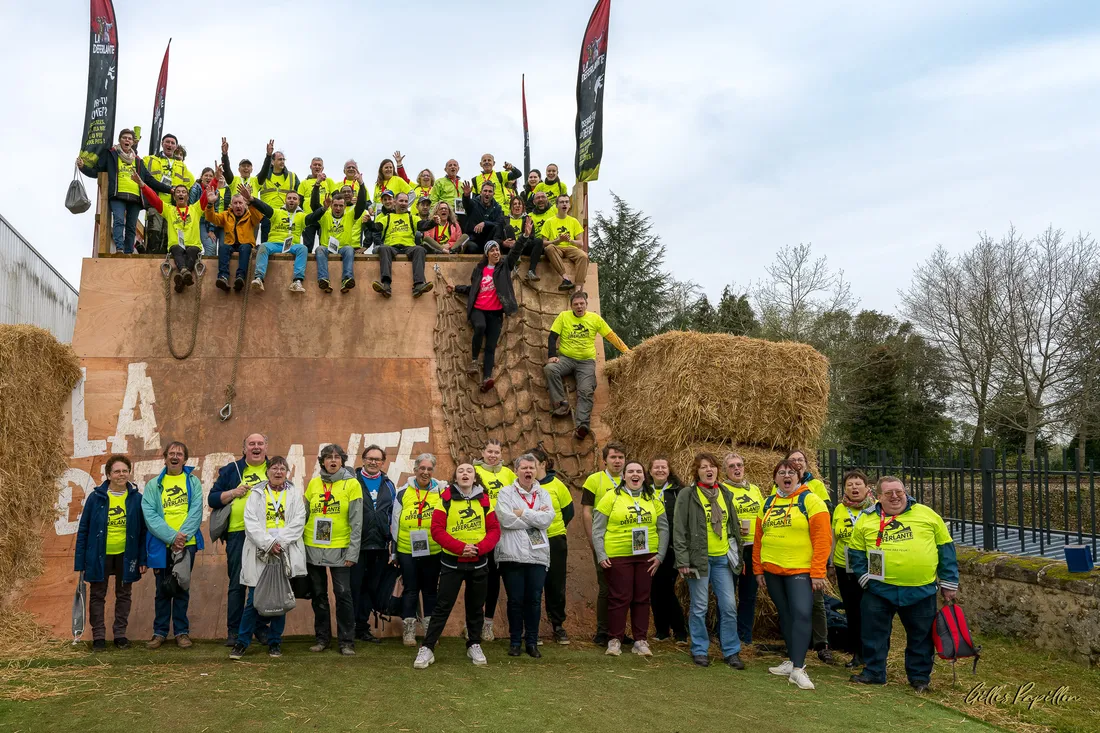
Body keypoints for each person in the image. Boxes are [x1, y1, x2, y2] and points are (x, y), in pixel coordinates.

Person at [848, 476, 959, 693]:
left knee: (921, 636)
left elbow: (946, 549)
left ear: (905, 492)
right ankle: (874, 672)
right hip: (879, 590)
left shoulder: (927, 514)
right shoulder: (866, 519)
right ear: (878, 497)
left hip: (921, 589)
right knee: (874, 634)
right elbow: (856, 552)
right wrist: (865, 579)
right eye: (888, 493)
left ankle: (919, 678)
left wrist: (949, 583)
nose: (895, 496)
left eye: (899, 491)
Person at [413, 463, 502, 669]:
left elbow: (494, 530)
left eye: (469, 471)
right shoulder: (444, 499)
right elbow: (436, 530)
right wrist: (460, 548)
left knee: (475, 607)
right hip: (452, 563)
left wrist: (479, 549)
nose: (465, 474)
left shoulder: (485, 501)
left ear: (475, 477)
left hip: (479, 563)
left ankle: (474, 644)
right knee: (442, 606)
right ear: (455, 477)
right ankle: (427, 648)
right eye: (461, 471)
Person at [753, 459, 831, 690]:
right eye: (781, 473)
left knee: (802, 614)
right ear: (775, 478)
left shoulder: (811, 500)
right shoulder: (767, 503)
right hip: (773, 570)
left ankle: (798, 669)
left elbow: (822, 539)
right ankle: (791, 661)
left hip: (800, 570)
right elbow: (758, 539)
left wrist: (818, 572)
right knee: (785, 615)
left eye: (791, 472)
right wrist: (758, 569)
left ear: (798, 477)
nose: (786, 476)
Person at [229, 456, 306, 660]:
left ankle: (275, 643)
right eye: (274, 468)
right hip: (260, 551)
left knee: (279, 599)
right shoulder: (256, 493)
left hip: (283, 551)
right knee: (254, 599)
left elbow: (299, 521)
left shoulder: (295, 493)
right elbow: (250, 522)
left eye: (282, 468)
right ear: (267, 471)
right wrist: (268, 543)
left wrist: (280, 542)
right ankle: (242, 642)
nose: (278, 472)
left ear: (287, 472)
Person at [674, 453, 745, 668]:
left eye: (712, 466)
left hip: (722, 558)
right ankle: (699, 649)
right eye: (704, 467)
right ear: (697, 471)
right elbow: (679, 529)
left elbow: (731, 525)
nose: (709, 470)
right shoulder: (688, 494)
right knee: (699, 606)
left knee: (729, 606)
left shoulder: (724, 492)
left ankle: (731, 651)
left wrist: (738, 555)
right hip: (698, 560)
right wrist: (682, 560)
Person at [593, 459, 667, 657]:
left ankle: (640, 640)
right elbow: (598, 528)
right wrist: (601, 554)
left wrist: (660, 555)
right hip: (618, 554)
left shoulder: (653, 498)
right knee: (619, 597)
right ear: (624, 476)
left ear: (644, 476)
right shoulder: (611, 497)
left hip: (647, 556)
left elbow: (663, 528)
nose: (635, 475)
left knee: (642, 598)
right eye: (631, 471)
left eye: (639, 472)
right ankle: (614, 639)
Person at [74, 454, 146, 651]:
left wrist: (142, 558)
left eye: (124, 471)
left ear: (129, 473)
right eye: (117, 471)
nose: (121, 474)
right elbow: (84, 530)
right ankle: (98, 636)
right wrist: (80, 562)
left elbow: (142, 532)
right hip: (99, 555)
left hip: (126, 555)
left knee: (124, 594)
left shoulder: (137, 499)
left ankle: (120, 635)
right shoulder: (95, 498)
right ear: (108, 475)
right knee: (98, 594)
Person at [208, 433, 272, 647]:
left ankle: (260, 628)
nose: (256, 447)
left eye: (260, 444)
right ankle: (234, 631)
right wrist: (233, 492)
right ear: (244, 448)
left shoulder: (275, 468)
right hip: (238, 533)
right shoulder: (232, 470)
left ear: (266, 447)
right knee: (237, 583)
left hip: (267, 535)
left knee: (264, 583)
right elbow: (212, 498)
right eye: (251, 444)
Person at [141, 441, 204, 649]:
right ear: (165, 457)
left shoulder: (193, 482)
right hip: (161, 544)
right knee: (162, 589)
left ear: (185, 459)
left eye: (179, 454)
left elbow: (196, 510)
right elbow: (149, 515)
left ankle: (181, 632)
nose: (175, 456)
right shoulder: (153, 485)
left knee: (181, 588)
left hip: (187, 544)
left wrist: (182, 538)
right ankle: (159, 632)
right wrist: (171, 537)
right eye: (171, 453)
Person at [544, 291, 631, 440]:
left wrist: (627, 351)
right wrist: (552, 355)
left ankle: (582, 426)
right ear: (571, 306)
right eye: (576, 304)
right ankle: (561, 404)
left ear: (586, 304)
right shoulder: (564, 316)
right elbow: (552, 337)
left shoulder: (594, 319)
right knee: (550, 369)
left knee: (586, 389)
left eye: (581, 304)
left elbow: (610, 335)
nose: (579, 307)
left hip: (586, 362)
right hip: (566, 358)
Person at [304, 444, 363, 656]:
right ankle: (322, 639)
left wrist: (352, 552)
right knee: (318, 595)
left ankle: (346, 641)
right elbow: (304, 515)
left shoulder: (352, 484)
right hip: (313, 547)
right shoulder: (313, 483)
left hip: (340, 548)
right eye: (328, 457)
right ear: (322, 461)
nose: (333, 460)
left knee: (343, 594)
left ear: (342, 461)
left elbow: (357, 521)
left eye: (337, 457)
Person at [495, 454, 555, 657]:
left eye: (532, 468)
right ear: (516, 470)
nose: (528, 471)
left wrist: (522, 513)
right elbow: (505, 520)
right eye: (524, 468)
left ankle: (531, 641)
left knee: (535, 600)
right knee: (515, 600)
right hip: (512, 556)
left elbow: (548, 520)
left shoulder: (543, 494)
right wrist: (534, 516)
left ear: (537, 470)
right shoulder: (505, 493)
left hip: (537, 556)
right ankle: (514, 642)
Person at [76, 128, 170, 254]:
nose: (127, 140)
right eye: (124, 137)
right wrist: (83, 168)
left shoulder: (138, 160)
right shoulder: (111, 154)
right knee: (119, 220)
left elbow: (150, 180)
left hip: (135, 197)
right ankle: (119, 248)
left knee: (131, 227)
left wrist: (170, 189)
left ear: (132, 142)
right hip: (117, 194)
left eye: (130, 138)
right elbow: (98, 171)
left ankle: (128, 251)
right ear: (120, 140)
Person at [445, 241, 524, 392]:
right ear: (487, 253)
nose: (496, 252)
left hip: (495, 313)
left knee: (490, 347)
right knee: (480, 326)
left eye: (498, 250)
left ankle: (487, 378)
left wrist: (525, 236)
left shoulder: (504, 267)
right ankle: (474, 361)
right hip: (478, 309)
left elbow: (515, 252)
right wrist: (456, 288)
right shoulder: (479, 270)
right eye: (493, 250)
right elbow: (473, 289)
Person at [783, 449, 835, 664]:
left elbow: (825, 518)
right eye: (793, 460)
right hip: (789, 553)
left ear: (806, 463)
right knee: (792, 603)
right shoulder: (782, 486)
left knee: (816, 601)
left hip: (812, 552)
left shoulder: (815, 486)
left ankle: (822, 644)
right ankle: (796, 644)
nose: (796, 463)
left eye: (800, 460)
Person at [391, 454, 445, 646]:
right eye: (422, 468)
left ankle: (430, 631)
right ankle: (409, 630)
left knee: (430, 591)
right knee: (411, 590)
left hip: (433, 549)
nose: (425, 472)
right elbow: (395, 521)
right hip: (407, 549)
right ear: (415, 470)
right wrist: (394, 550)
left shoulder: (441, 491)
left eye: (429, 469)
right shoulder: (402, 492)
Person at [468, 439, 515, 641]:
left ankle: (488, 624)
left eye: (497, 451)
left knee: (495, 581)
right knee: (477, 580)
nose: (493, 455)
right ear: (483, 452)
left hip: (505, 534)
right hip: (481, 533)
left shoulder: (509, 474)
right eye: (489, 451)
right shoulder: (474, 472)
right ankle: (471, 623)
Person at [581, 442, 627, 644]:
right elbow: (586, 511)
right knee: (606, 587)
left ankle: (619, 631)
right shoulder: (594, 480)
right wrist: (593, 540)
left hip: (627, 543)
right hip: (604, 542)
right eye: (613, 457)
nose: (617, 461)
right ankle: (602, 631)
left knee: (624, 589)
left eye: (621, 457)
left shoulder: (632, 478)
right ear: (604, 460)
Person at [352, 444, 397, 644]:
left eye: (378, 459)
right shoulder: (352, 481)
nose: (373, 462)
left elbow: (393, 515)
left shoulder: (388, 484)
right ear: (363, 459)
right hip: (356, 545)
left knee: (371, 588)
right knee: (352, 588)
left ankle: (362, 628)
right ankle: (348, 628)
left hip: (379, 546)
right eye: (370, 458)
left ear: (383, 462)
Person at [832, 470, 875, 669]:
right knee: (851, 610)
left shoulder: (876, 508)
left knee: (870, 611)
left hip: (867, 567)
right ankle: (857, 653)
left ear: (867, 488)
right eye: (849, 484)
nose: (854, 488)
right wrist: (830, 562)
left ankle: (873, 653)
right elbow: (834, 536)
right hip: (843, 566)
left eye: (858, 484)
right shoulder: (840, 509)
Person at [532, 447, 574, 644]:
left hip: (555, 539)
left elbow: (569, 512)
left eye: (533, 462)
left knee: (555, 583)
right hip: (531, 542)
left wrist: (554, 529)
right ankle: (532, 627)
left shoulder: (557, 485)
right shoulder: (523, 486)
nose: (530, 467)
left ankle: (557, 625)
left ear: (542, 464)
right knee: (533, 584)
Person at [722, 452, 765, 646]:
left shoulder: (754, 489)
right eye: (731, 466)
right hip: (732, 547)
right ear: (725, 471)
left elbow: (763, 514)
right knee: (728, 595)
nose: (737, 469)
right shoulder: (722, 490)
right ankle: (726, 635)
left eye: (739, 465)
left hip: (753, 548)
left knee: (749, 595)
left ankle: (745, 637)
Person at [138, 179, 211, 292]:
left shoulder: (196, 209)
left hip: (193, 245)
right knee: (177, 249)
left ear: (187, 196)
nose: (181, 193)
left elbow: (207, 194)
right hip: (176, 245)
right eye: (178, 192)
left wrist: (216, 178)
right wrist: (142, 184)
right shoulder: (169, 210)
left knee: (192, 251)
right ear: (174, 196)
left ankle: (182, 276)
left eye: (183, 192)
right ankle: (184, 272)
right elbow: (154, 199)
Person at [205, 184, 273, 293]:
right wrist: (210, 203)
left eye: (240, 203)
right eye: (235, 203)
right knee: (223, 247)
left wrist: (251, 202)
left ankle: (240, 277)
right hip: (230, 243)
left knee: (245, 248)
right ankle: (223, 277)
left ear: (245, 204)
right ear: (231, 205)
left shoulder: (251, 214)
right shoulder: (226, 215)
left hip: (245, 244)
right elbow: (211, 217)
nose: (238, 206)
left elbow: (259, 217)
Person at [648, 456, 687, 644]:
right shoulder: (644, 491)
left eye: (664, 467)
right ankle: (662, 630)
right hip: (650, 547)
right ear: (650, 471)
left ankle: (680, 631)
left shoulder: (679, 491)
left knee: (665, 588)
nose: (660, 470)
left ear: (669, 470)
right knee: (655, 590)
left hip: (672, 548)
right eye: (656, 467)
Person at [305, 181, 369, 294]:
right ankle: (323, 279)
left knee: (350, 249)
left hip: (343, 248)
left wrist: (362, 184)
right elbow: (314, 205)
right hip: (326, 248)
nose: (338, 208)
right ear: (331, 205)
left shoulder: (350, 216)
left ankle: (347, 279)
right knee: (319, 249)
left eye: (341, 205)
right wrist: (317, 185)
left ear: (345, 206)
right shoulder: (325, 215)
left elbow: (361, 204)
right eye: (335, 205)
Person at [370, 191, 433, 298]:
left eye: (406, 201)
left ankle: (418, 285)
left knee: (420, 249)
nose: (404, 203)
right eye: (401, 201)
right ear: (395, 202)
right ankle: (386, 285)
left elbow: (424, 225)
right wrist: (367, 222)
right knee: (383, 248)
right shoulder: (388, 217)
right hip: (391, 247)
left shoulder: (412, 218)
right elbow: (376, 227)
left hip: (409, 247)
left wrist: (434, 222)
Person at [142, 133, 194, 253]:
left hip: (173, 208)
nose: (170, 145)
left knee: (169, 238)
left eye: (172, 143)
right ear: (162, 144)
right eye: (167, 142)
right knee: (153, 236)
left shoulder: (181, 165)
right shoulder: (150, 159)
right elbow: (136, 164)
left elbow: (191, 184)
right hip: (156, 204)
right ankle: (150, 266)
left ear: (176, 147)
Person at [252, 189, 308, 292]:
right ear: (285, 200)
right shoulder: (277, 212)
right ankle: (259, 278)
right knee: (263, 246)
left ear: (299, 202)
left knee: (303, 248)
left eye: (294, 199)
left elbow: (312, 218)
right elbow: (264, 208)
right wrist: (252, 199)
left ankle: (297, 282)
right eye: (289, 198)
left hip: (292, 246)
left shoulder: (302, 216)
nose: (291, 200)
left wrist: (323, 209)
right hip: (274, 244)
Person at [541, 195, 588, 292]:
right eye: (561, 202)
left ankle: (578, 289)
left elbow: (580, 243)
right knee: (549, 248)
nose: (564, 204)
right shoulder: (549, 222)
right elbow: (543, 243)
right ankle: (566, 278)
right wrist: (557, 241)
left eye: (566, 202)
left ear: (569, 205)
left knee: (584, 256)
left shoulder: (574, 221)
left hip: (570, 248)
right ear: (557, 205)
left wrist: (570, 240)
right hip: (556, 248)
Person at [256, 140, 300, 242]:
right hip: (267, 214)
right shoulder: (263, 176)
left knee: (285, 241)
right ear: (272, 161)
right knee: (266, 242)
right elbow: (253, 190)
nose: (282, 162)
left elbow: (300, 195)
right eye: (280, 159)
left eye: (283, 159)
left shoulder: (292, 176)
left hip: (285, 214)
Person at [297, 158, 338, 252]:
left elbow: (337, 197)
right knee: (307, 245)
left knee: (325, 245)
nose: (317, 167)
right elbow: (299, 201)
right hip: (309, 216)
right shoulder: (304, 183)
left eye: (319, 165)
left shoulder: (329, 181)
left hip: (325, 216)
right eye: (315, 165)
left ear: (322, 168)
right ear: (310, 167)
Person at [503, 196, 545, 281]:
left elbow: (532, 237)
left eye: (519, 204)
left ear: (523, 207)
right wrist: (503, 242)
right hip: (509, 249)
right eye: (514, 204)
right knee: (509, 228)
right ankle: (515, 258)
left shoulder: (528, 219)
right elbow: (496, 237)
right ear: (511, 207)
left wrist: (520, 242)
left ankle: (531, 271)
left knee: (539, 241)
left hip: (524, 247)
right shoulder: (503, 220)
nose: (517, 206)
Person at [461, 180, 505, 253]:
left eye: (490, 191)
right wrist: (466, 196)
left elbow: (499, 223)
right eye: (485, 191)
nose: (487, 193)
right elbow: (466, 203)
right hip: (474, 239)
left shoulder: (497, 208)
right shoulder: (473, 204)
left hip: (489, 240)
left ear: (494, 194)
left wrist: (485, 223)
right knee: (471, 247)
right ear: (481, 192)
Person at [191, 167, 221, 256]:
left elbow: (215, 211)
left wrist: (211, 230)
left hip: (206, 223)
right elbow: (191, 207)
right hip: (194, 221)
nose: (208, 178)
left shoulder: (216, 192)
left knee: (211, 246)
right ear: (201, 177)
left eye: (211, 176)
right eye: (206, 175)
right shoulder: (194, 188)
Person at [430, 159, 465, 225]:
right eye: (450, 165)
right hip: (445, 214)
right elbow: (433, 200)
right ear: (445, 169)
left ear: (458, 168)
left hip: (460, 214)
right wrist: (434, 215)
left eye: (455, 165)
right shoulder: (439, 182)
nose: (453, 167)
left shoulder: (462, 184)